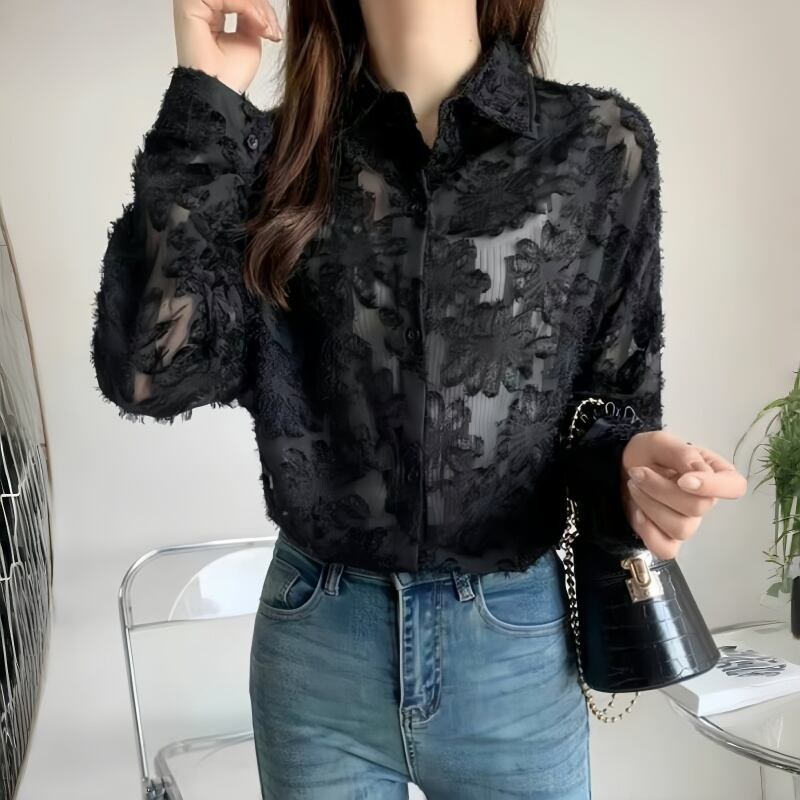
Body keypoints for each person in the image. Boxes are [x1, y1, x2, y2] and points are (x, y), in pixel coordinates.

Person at [90, 1, 747, 797]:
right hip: (318, 650)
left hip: (512, 656)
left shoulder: (599, 146)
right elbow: (151, 372)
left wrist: (634, 465)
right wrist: (206, 93)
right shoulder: (274, 156)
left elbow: (609, 405)